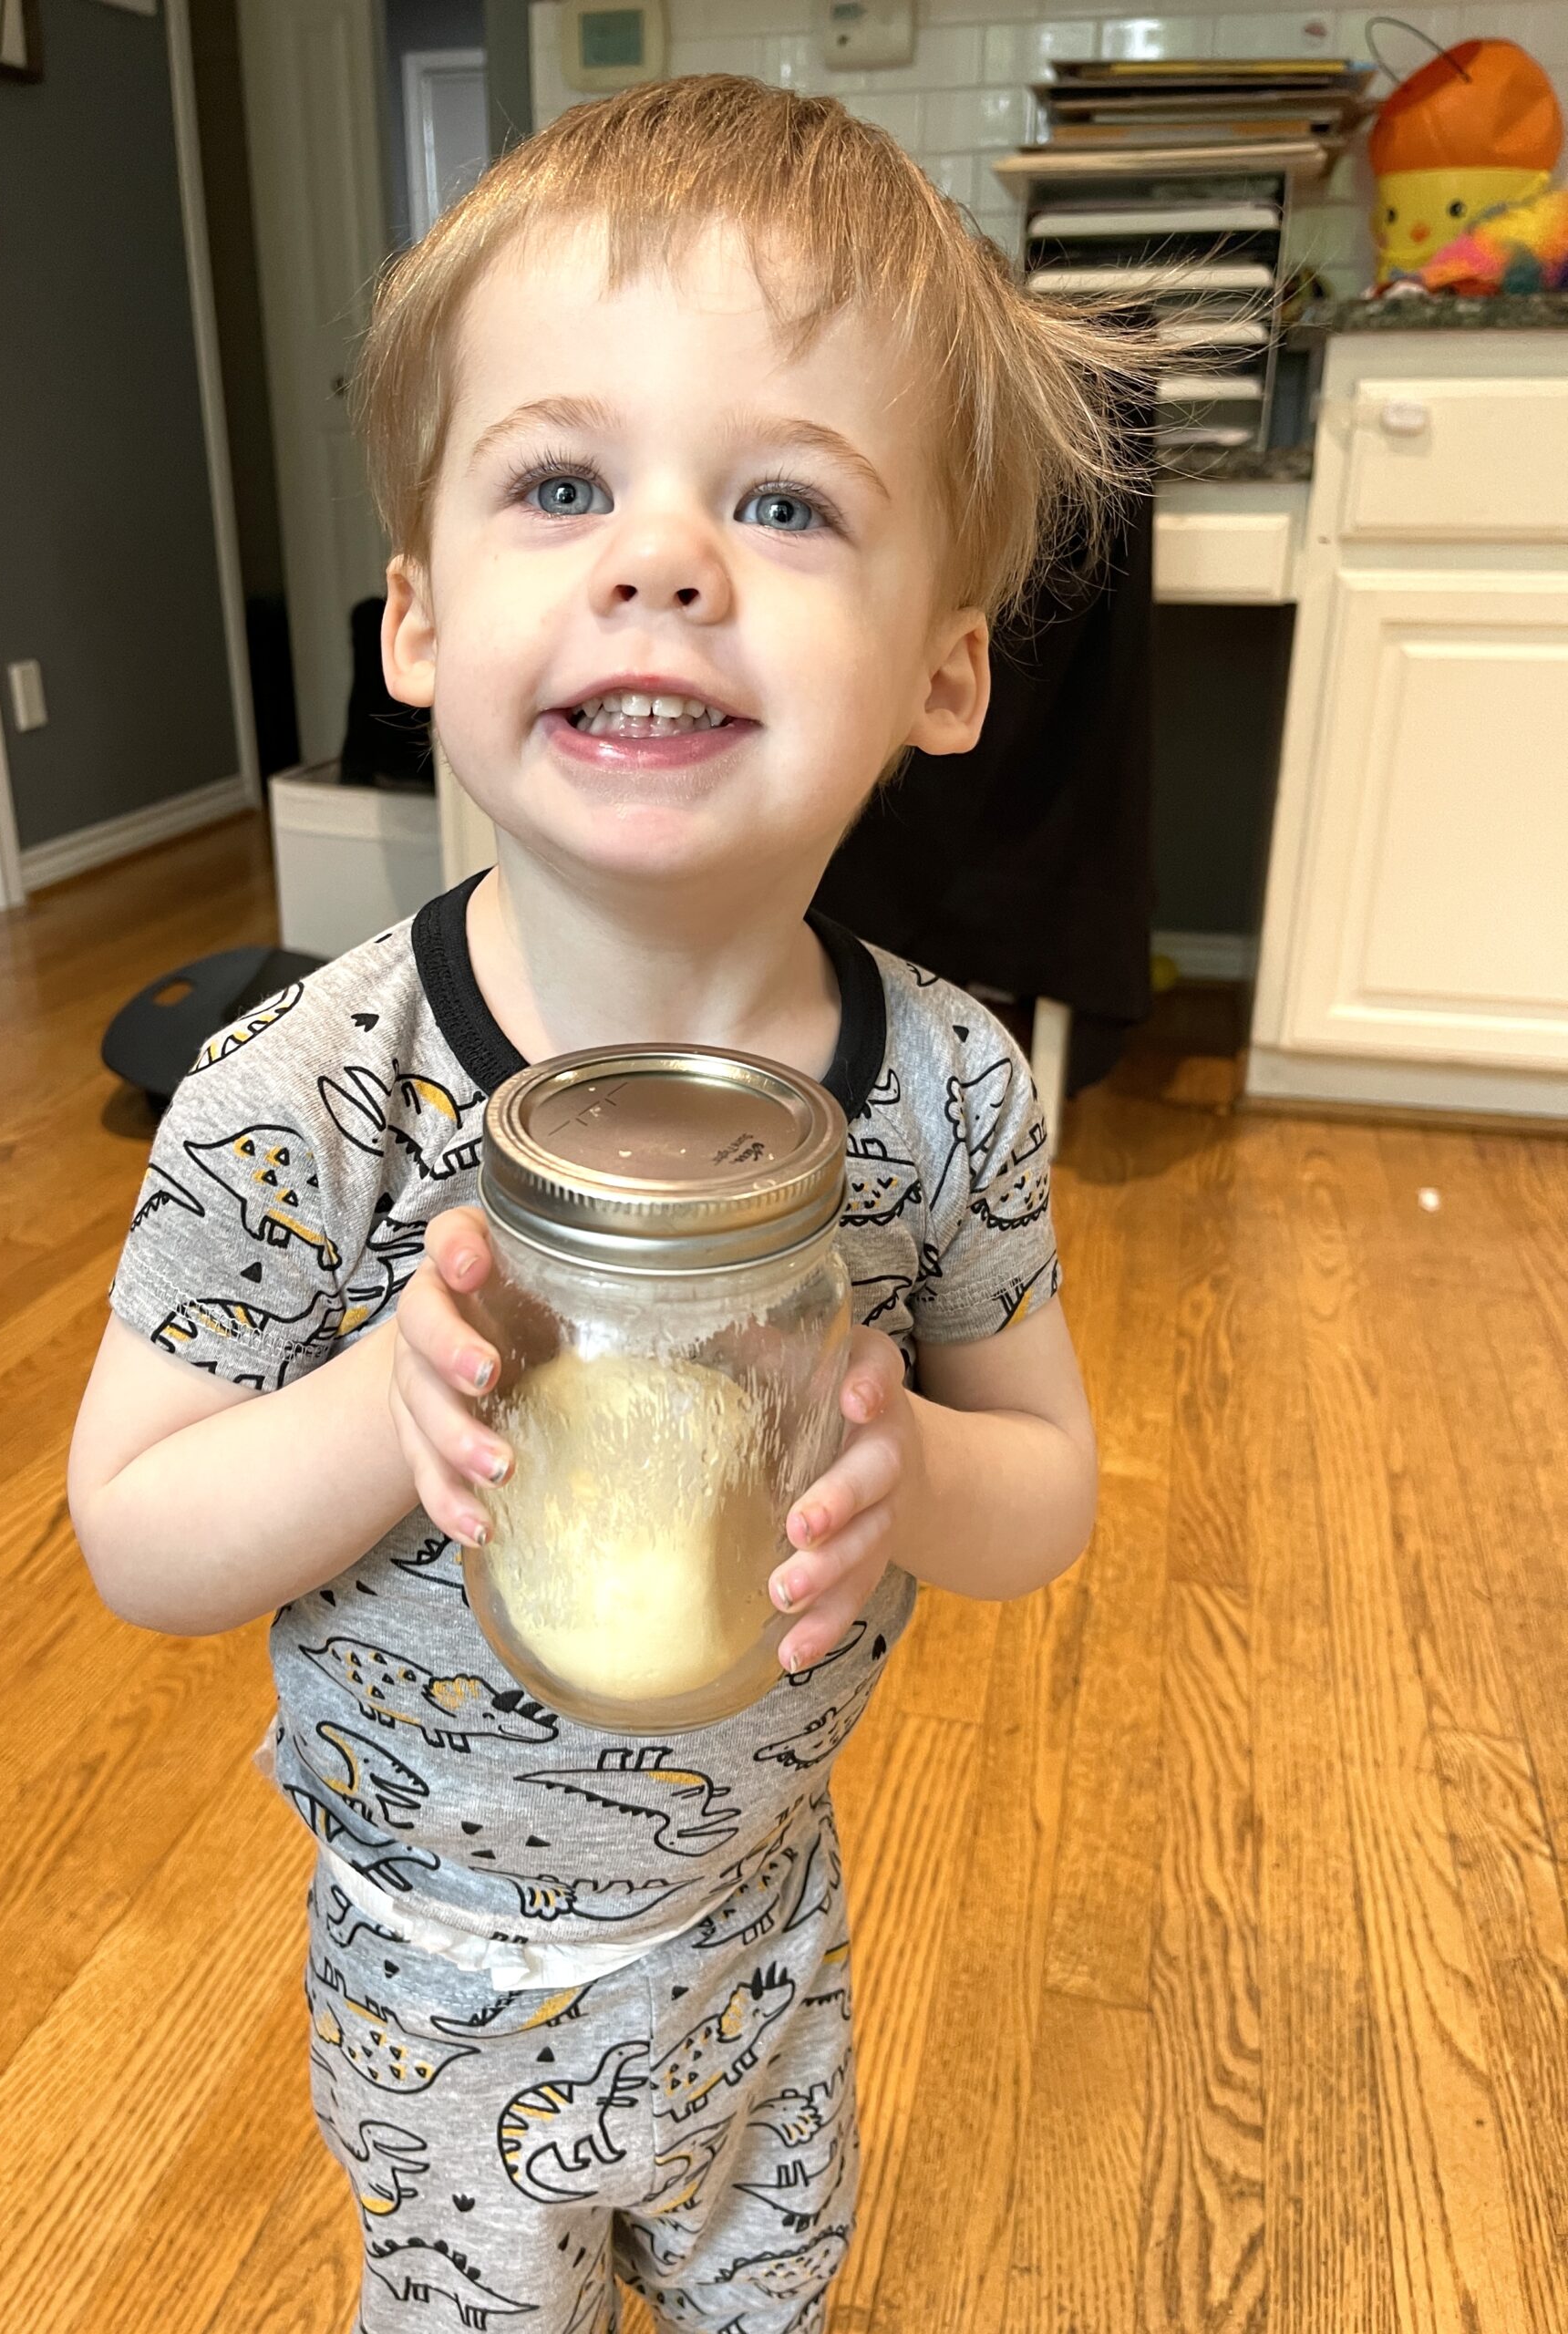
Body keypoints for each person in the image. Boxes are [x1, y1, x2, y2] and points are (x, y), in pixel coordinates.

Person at [68, 73, 1134, 2334]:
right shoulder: (303, 1100)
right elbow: (137, 1534)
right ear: (423, 621)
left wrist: (908, 1459)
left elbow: (1046, 1499)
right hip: (431, 1956)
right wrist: (392, 1401)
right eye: (564, 483)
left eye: (783, 499)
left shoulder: (945, 1094)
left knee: (774, 2291)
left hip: (761, 1907)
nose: (663, 555)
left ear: (947, 667)